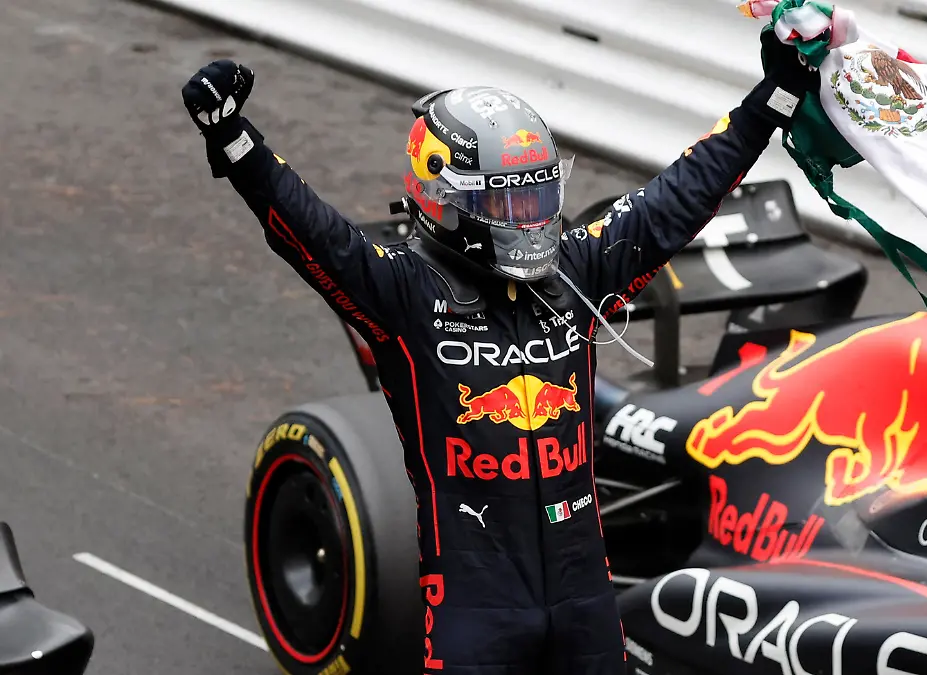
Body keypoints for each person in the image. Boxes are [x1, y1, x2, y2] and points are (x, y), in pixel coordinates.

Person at [181, 30, 816, 675]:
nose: (528, 218)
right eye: (508, 199)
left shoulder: (578, 269)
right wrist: (236, 142)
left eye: (538, 195)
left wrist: (778, 95)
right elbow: (310, 231)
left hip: (585, 596)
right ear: (446, 199)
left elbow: (682, 194)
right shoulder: (402, 293)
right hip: (473, 606)